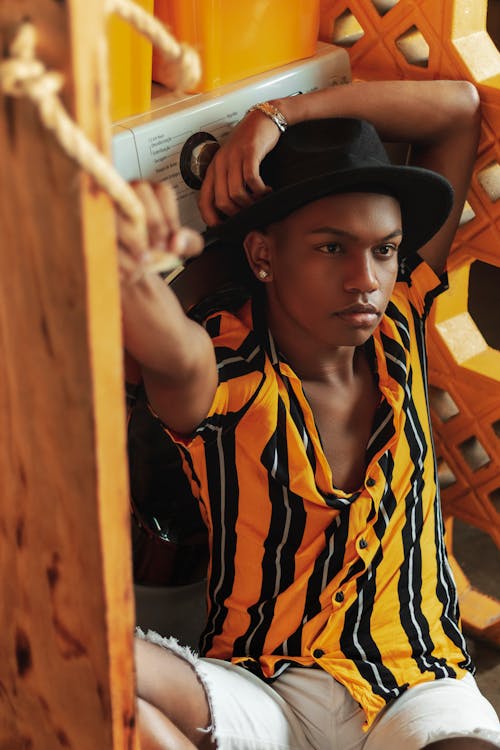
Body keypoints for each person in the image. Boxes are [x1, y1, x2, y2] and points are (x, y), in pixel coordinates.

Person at [118, 79, 500, 750]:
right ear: (264, 255)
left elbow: (460, 111)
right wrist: (134, 267)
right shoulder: (227, 372)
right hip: (259, 690)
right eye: (332, 248)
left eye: (384, 249)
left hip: (415, 683)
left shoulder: (400, 320)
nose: (366, 279)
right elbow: (170, 354)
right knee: (105, 672)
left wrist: (279, 115)